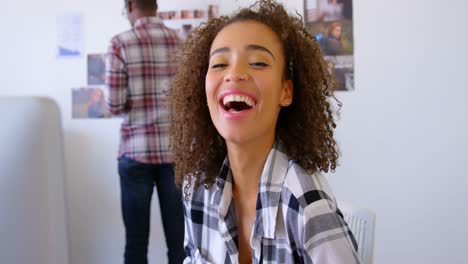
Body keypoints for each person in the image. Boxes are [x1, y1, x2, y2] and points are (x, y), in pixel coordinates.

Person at [170, 0, 360, 263]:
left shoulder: (308, 205)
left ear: (286, 92)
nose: (234, 74)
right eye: (219, 64)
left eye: (258, 62)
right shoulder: (197, 186)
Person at [105, 0, 185, 263]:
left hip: (135, 152)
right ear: (155, 5)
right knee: (179, 243)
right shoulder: (181, 41)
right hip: (175, 153)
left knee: (136, 242)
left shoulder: (120, 43)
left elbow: (114, 105)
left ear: (130, 6)